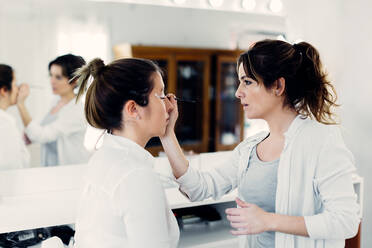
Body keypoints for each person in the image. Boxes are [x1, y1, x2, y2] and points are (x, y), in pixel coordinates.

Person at [160, 39, 360, 248]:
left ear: (278, 86)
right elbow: (199, 188)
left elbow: (345, 221)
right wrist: (167, 135)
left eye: (247, 81)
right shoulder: (250, 149)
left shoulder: (321, 140)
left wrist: (269, 220)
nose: (238, 92)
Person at [73, 58, 179, 248]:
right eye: (161, 95)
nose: (170, 106)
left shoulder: (104, 157)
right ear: (133, 109)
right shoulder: (137, 175)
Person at [16, 54, 90, 166]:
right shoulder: (54, 102)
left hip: (71, 170)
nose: (52, 81)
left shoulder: (77, 111)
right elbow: (37, 130)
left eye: (58, 77)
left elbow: (41, 135)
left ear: (75, 80)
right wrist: (29, 136)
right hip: (50, 168)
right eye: (51, 75)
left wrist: (21, 104)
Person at [0, 64, 30, 170]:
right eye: (15, 84)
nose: (17, 89)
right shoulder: (5, 122)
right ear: (4, 90)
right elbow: (14, 164)